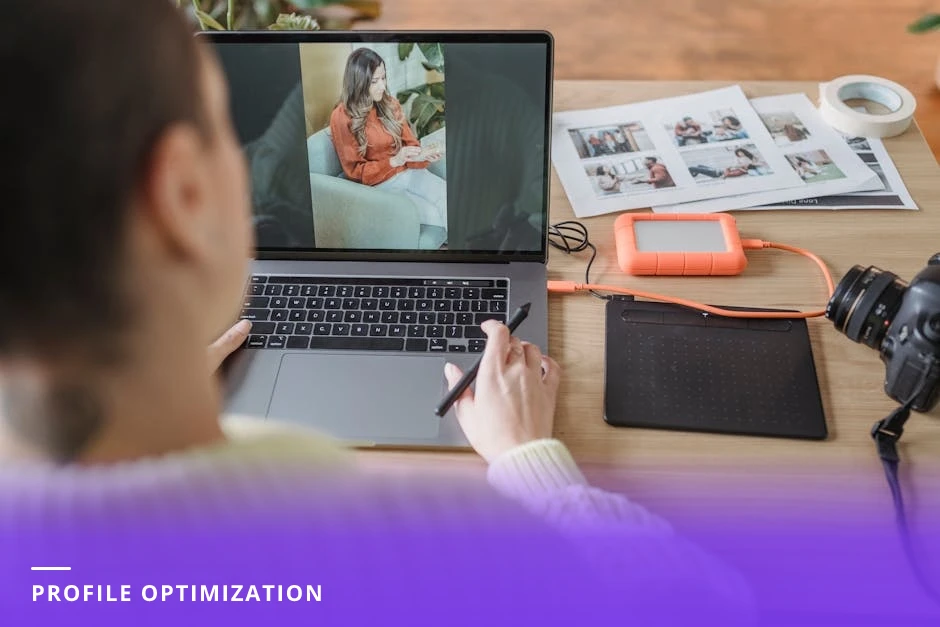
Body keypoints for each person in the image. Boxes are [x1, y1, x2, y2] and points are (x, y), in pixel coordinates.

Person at [0, 4, 752, 622]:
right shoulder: (354, 526)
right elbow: (714, 606)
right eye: (225, 132)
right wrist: (532, 462)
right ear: (183, 195)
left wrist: (150, 381)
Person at [329, 48, 446, 235]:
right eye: (374, 81)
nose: (382, 86)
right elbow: (355, 172)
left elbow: (410, 143)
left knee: (448, 199)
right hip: (380, 186)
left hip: (407, 171)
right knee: (435, 216)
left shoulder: (390, 103)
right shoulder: (341, 117)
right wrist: (394, 161)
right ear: (358, 82)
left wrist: (422, 154)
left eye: (383, 78)